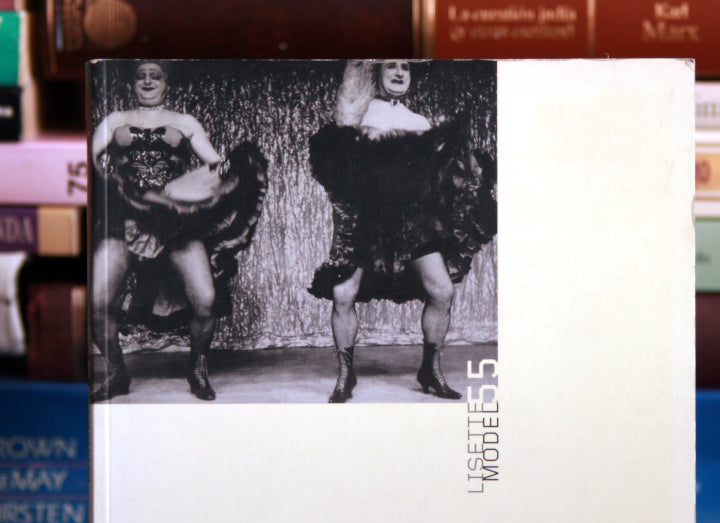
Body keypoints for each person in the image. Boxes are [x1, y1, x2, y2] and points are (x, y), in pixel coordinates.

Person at [309, 60, 496, 403]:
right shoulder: (356, 114)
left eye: (405, 68)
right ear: (376, 74)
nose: (398, 73)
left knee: (441, 290)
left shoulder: (420, 122)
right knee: (343, 293)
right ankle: (345, 375)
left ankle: (431, 371)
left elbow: (434, 178)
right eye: (391, 67)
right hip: (366, 217)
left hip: (412, 219)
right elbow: (339, 161)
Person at [90, 61, 267, 401]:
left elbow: (214, 164)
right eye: (140, 76)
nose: (147, 81)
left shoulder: (185, 122)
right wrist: (110, 184)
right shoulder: (113, 120)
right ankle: (115, 372)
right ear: (131, 83)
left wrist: (232, 170)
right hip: (125, 218)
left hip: (174, 220)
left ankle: (197, 368)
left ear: (166, 83)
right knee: (97, 300)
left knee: (205, 299)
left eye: (155, 76)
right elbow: (86, 157)